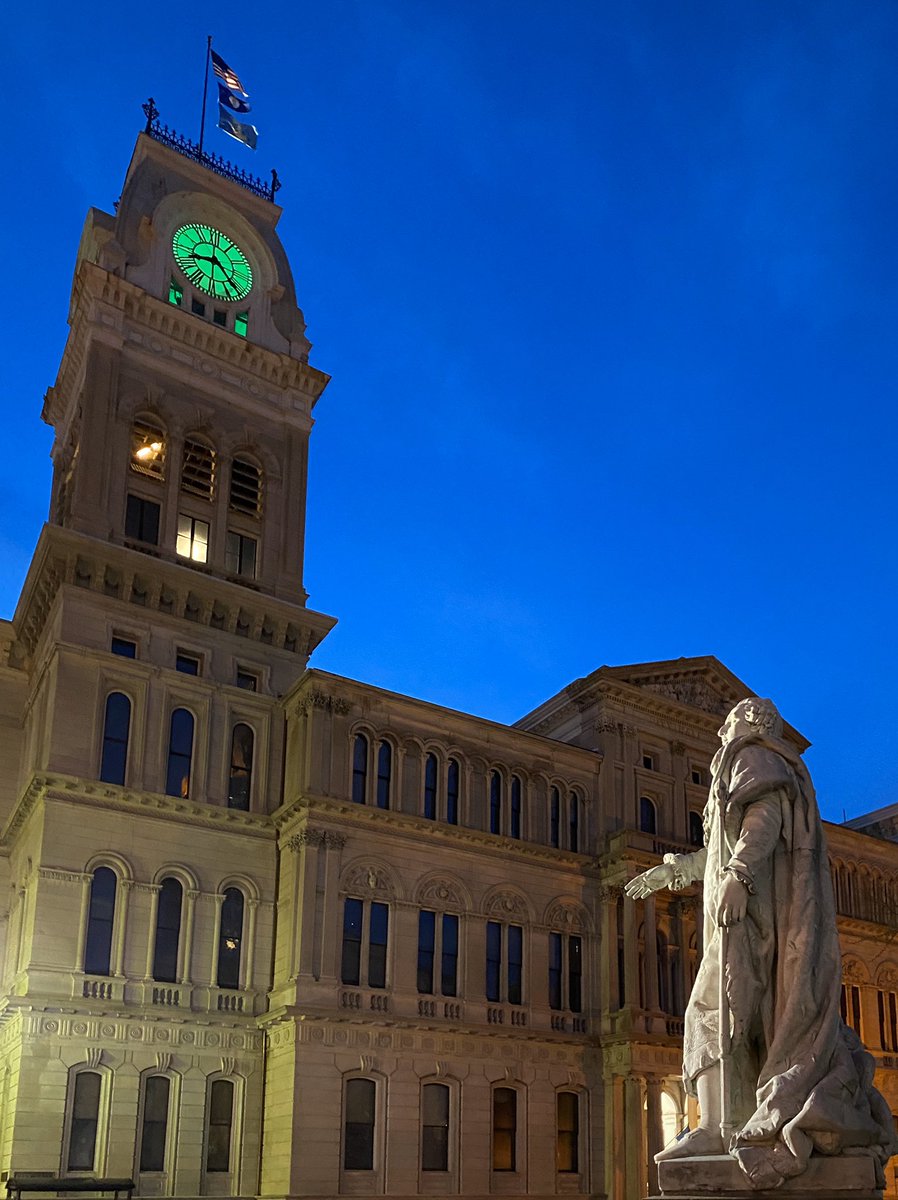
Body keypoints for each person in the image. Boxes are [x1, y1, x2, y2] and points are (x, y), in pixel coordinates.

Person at [626, 697, 895, 1189]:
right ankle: (722, 1123)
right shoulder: (755, 761)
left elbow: (762, 821)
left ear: (748, 722)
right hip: (755, 908)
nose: (720, 730)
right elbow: (722, 849)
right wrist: (678, 871)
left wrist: (740, 877)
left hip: (752, 915)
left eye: (727, 720)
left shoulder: (751, 755)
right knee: (747, 1021)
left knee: (710, 1008)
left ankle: (713, 1129)